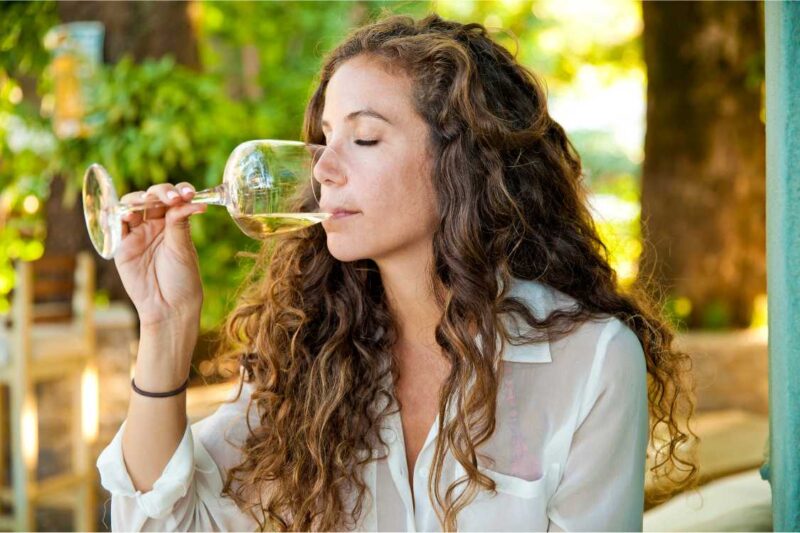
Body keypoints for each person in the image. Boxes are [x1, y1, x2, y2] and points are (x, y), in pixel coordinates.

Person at [96, 12, 698, 532]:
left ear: (461, 161)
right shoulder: (314, 356)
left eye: (363, 138)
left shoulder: (589, 361)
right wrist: (166, 326)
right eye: (324, 138)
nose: (322, 169)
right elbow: (164, 521)